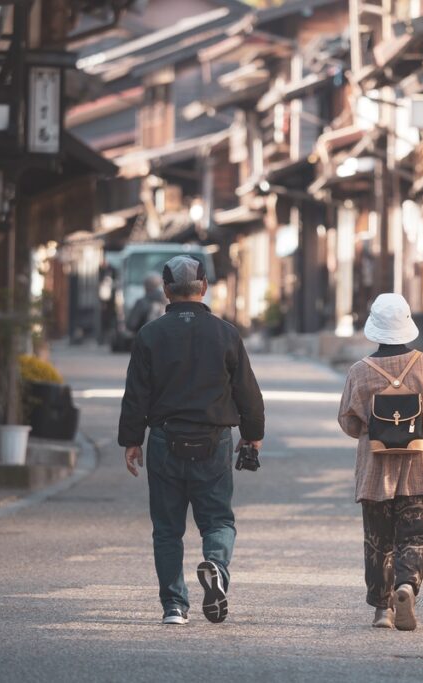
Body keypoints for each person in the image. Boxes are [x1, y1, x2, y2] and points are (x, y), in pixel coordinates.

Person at [118, 255, 264, 626]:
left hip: (166, 438)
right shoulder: (226, 333)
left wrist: (131, 440)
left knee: (167, 528)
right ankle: (216, 565)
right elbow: (248, 391)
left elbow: (136, 393)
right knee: (217, 520)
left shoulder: (150, 334)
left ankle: (174, 607)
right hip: (214, 440)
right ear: (204, 288)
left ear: (166, 290)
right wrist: (253, 435)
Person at [337, 293, 423, 631]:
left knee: (378, 543)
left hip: (376, 474)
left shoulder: (360, 372)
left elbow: (348, 423)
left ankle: (382, 611)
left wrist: (374, 428)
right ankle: (407, 585)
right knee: (418, 537)